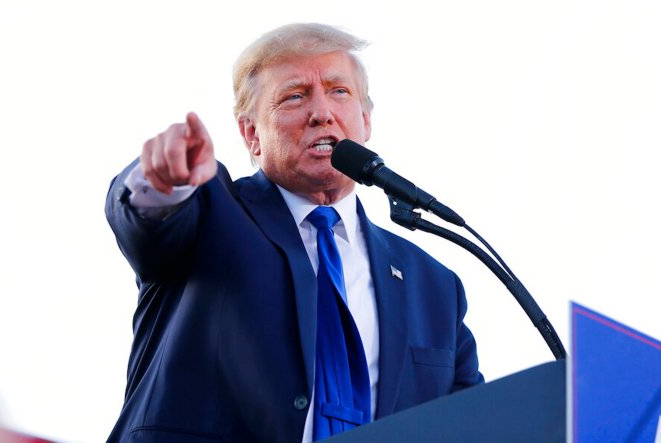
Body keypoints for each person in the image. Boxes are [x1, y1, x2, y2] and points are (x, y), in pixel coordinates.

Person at [105, 23, 484, 443]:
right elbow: (148, 224)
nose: (322, 112)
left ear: (366, 120)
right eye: (295, 96)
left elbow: (470, 423)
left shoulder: (435, 286)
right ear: (251, 134)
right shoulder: (212, 213)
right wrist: (163, 182)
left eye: (340, 91)